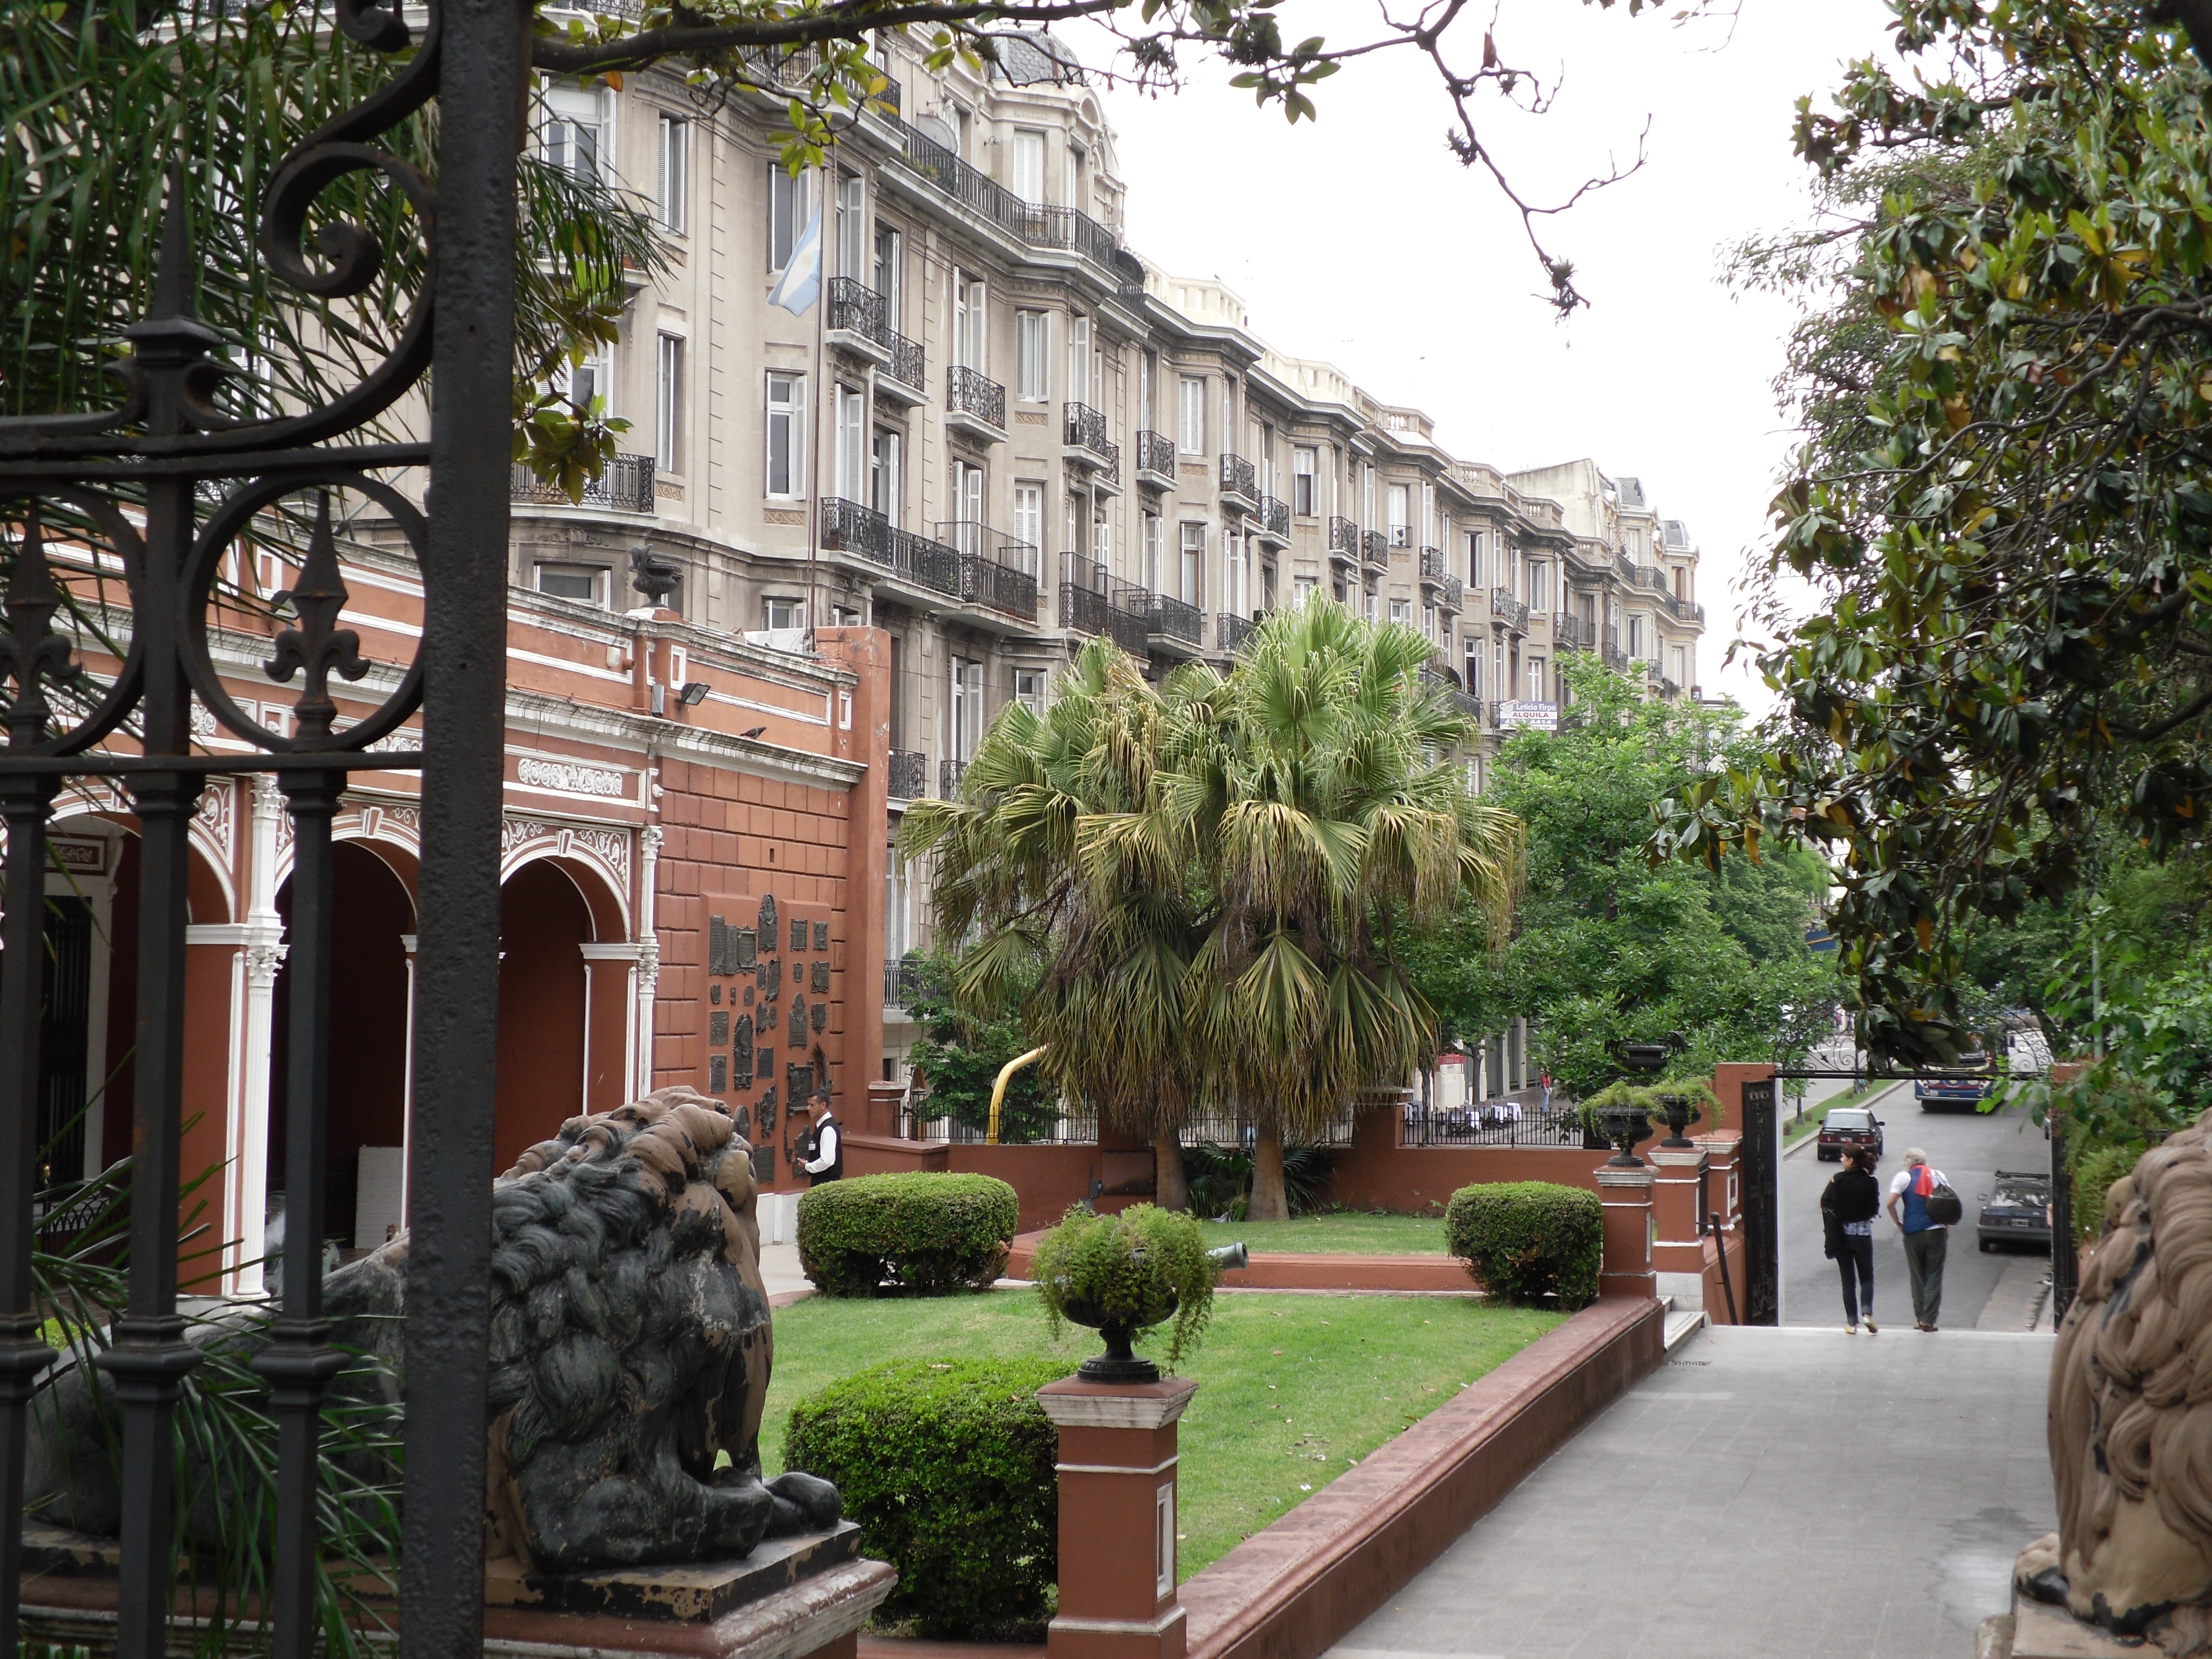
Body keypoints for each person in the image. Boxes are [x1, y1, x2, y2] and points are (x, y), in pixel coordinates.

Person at [1820, 1145, 1882, 1334]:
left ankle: (1852, 1323)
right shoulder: (1872, 1182)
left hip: (1842, 1236)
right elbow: (1874, 1208)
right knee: (1867, 1277)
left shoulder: (1838, 1180)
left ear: (1851, 1161)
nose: (1841, 1160)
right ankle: (1867, 1313)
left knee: (1848, 1280)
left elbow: (1825, 1202)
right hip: (1863, 1235)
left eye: (1844, 1157)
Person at [1886, 1147, 1950, 1331]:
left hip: (1913, 1231)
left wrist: (1898, 1223)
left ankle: (1920, 1319)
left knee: (1918, 1275)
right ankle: (1929, 1320)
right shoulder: (1938, 1175)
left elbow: (1891, 1203)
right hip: (1937, 1230)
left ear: (1909, 1161)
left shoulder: (1903, 1178)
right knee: (1934, 1275)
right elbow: (1948, 1202)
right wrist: (1946, 1226)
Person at [801, 1087, 843, 1186]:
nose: (808, 1108)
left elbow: (827, 1161)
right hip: (822, 1181)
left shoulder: (827, 1128)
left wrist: (808, 1166)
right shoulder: (822, 1125)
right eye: (808, 1105)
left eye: (812, 1105)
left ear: (823, 1105)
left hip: (826, 1183)